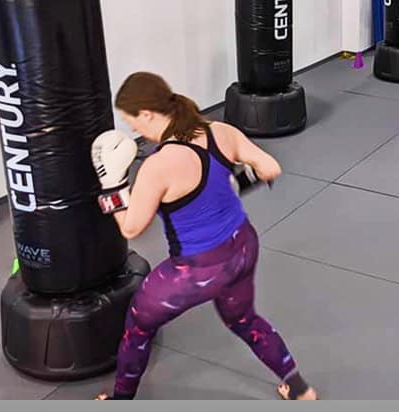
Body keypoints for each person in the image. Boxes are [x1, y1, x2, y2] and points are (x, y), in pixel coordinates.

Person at [89, 72, 317, 401]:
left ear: (148, 114)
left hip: (197, 270)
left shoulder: (159, 166)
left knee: (139, 325)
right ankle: (299, 389)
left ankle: (120, 402)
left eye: (133, 122)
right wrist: (230, 187)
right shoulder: (220, 131)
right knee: (244, 318)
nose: (134, 131)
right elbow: (270, 167)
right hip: (243, 247)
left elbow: (131, 228)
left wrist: (111, 186)